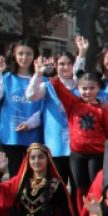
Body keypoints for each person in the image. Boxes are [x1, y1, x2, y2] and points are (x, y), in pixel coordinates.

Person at [49, 70, 108, 209]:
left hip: (97, 155)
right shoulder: (73, 104)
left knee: (96, 186)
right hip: (77, 154)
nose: (87, 92)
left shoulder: (104, 110)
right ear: (78, 88)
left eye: (91, 88)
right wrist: (54, 77)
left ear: (98, 88)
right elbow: (60, 90)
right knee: (80, 187)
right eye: (84, 88)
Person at [0, 42, 44, 174]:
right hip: (10, 137)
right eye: (20, 53)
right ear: (14, 55)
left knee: (33, 178)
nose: (24, 57)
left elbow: (43, 109)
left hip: (34, 138)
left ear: (34, 56)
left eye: (28, 53)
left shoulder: (41, 79)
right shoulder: (6, 78)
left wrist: (30, 124)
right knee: (15, 177)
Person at [26, 51, 77, 192]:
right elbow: (30, 96)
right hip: (55, 146)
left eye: (68, 64)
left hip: (76, 146)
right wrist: (38, 74)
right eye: (61, 64)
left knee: (76, 187)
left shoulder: (80, 87)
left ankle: (75, 214)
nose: (65, 67)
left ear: (74, 66)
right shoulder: (47, 87)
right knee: (57, 187)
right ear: (55, 66)